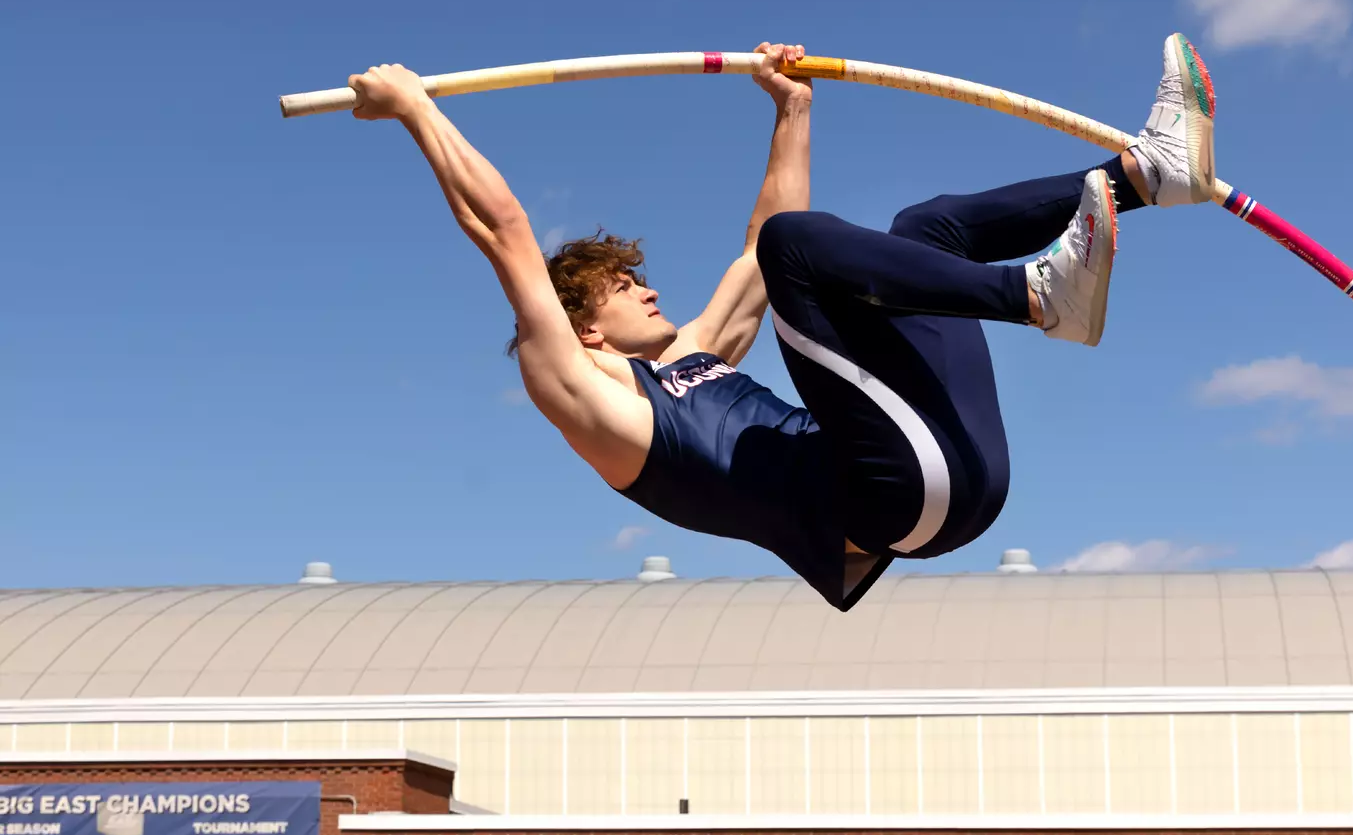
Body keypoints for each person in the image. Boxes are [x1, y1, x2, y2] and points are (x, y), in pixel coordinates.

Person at [348, 34, 1216, 611]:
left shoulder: (696, 359)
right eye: (619, 287)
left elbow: (766, 231)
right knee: (795, 249)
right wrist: (416, 108)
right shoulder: (586, 397)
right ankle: (1034, 296)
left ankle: (1148, 174)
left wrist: (791, 108)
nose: (645, 289)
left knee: (923, 230)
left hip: (960, 468)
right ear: (586, 330)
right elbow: (503, 230)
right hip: (898, 501)